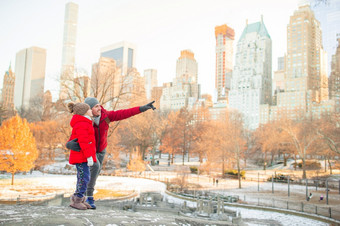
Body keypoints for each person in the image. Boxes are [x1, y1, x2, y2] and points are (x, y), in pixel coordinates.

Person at [66, 97, 156, 209]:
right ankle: (87, 196)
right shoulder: (85, 119)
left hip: (101, 149)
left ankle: (85, 196)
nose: (99, 108)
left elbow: (124, 113)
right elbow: (76, 132)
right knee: (92, 169)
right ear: (89, 109)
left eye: (99, 105)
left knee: (95, 172)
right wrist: (69, 144)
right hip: (90, 151)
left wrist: (142, 108)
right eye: (96, 106)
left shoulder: (105, 116)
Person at [67, 102, 97, 210]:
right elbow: (84, 142)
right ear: (84, 112)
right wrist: (89, 156)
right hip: (81, 157)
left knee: (83, 177)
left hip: (83, 156)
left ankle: (79, 198)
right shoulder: (82, 124)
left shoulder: (86, 122)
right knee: (84, 178)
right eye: (89, 109)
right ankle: (77, 200)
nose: (91, 111)